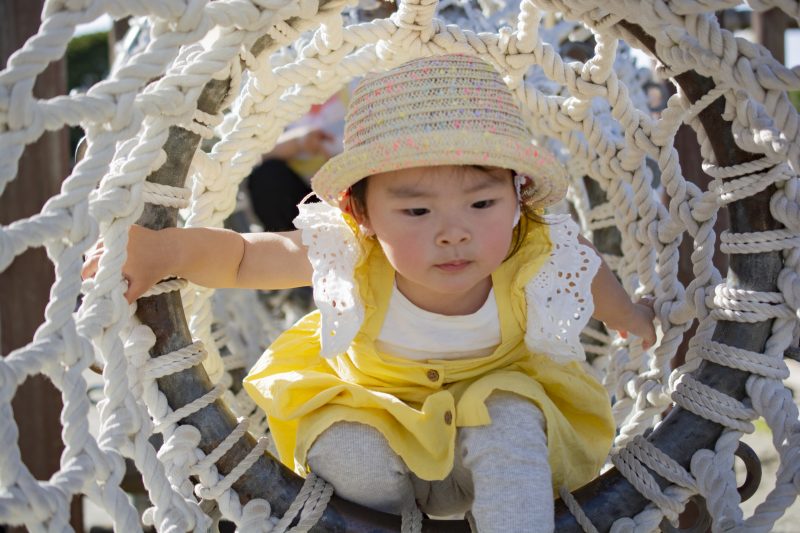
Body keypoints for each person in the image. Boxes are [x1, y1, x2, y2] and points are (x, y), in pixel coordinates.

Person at [83, 54, 656, 532]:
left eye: (482, 204)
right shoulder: (351, 250)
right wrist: (169, 253)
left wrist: (629, 314)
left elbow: (587, 271)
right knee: (347, 447)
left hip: (492, 428)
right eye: (416, 210)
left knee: (510, 418)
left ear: (518, 199)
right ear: (361, 213)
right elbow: (244, 256)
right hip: (381, 417)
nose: (454, 231)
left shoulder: (536, 248)